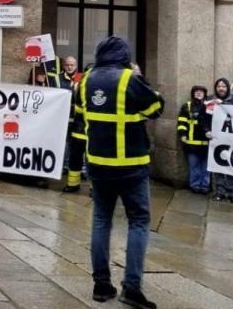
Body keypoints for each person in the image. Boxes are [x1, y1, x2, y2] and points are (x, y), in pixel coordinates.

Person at [76, 36, 164, 309]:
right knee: (138, 221)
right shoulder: (129, 79)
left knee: (101, 220)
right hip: (131, 165)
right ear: (124, 56)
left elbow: (80, 112)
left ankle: (101, 285)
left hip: (98, 165)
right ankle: (132, 287)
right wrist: (139, 77)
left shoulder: (85, 80)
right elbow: (156, 108)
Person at [210, 77, 233, 203]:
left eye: (223, 86)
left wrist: (222, 105)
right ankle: (219, 191)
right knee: (217, 165)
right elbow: (205, 116)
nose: (221, 88)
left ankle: (232, 191)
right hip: (217, 139)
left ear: (228, 87)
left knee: (231, 164)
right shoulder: (210, 100)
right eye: (219, 86)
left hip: (232, 139)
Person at [60, 55, 86, 193]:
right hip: (64, 119)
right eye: (68, 65)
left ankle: (82, 171)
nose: (70, 67)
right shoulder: (58, 78)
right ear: (64, 65)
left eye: (72, 65)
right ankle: (65, 168)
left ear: (76, 65)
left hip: (78, 122)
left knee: (78, 150)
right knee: (66, 146)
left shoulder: (82, 78)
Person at [177, 85, 210, 194]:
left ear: (205, 94)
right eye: (197, 92)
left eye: (201, 92)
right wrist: (182, 134)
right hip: (191, 143)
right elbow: (182, 122)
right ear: (193, 93)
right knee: (194, 166)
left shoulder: (210, 106)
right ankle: (195, 185)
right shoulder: (187, 106)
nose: (199, 93)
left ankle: (205, 186)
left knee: (206, 167)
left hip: (207, 142)